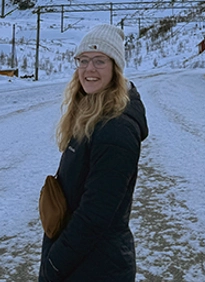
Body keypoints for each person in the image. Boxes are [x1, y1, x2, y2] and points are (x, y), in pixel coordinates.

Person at [39, 24, 149, 282]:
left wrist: (55, 264)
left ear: (115, 69)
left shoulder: (116, 130)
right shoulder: (91, 113)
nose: (89, 69)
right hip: (85, 259)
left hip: (95, 266)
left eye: (99, 61)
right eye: (83, 60)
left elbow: (95, 216)